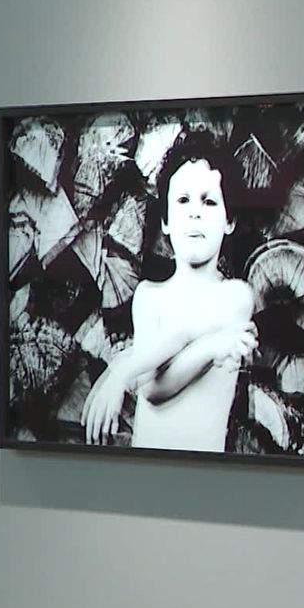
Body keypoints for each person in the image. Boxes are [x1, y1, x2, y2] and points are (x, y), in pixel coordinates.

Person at [81, 129, 280, 451]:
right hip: (149, 470)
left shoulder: (235, 295)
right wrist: (213, 345)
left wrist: (121, 372)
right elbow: (152, 386)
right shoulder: (148, 295)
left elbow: (174, 346)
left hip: (205, 472)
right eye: (183, 200)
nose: (195, 212)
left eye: (209, 201)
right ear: (166, 221)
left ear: (229, 221)